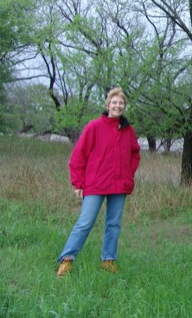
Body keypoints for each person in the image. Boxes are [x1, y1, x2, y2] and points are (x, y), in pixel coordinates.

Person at [56, 87, 141, 277]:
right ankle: (67, 260)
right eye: (114, 102)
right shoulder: (94, 126)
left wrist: (128, 173)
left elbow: (135, 153)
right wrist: (78, 182)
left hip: (119, 185)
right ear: (108, 104)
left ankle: (108, 260)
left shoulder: (128, 130)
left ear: (124, 106)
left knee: (113, 224)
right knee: (85, 222)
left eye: (121, 103)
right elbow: (79, 155)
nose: (117, 106)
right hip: (96, 184)